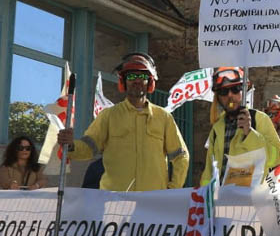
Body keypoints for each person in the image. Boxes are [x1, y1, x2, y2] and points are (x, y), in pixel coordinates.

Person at [58, 53, 188, 191]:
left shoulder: (164, 117)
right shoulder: (108, 115)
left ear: (150, 82)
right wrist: (71, 145)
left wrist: (173, 189)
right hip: (113, 199)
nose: (137, 80)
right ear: (123, 81)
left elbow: (181, 156)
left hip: (152, 201)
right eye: (131, 76)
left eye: (142, 76)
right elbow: (88, 148)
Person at [200, 67, 280, 185]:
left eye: (235, 89)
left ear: (243, 91)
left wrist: (250, 134)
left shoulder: (259, 119)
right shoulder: (216, 128)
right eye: (224, 91)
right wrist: (205, 199)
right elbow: (208, 173)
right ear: (218, 97)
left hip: (251, 200)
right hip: (223, 201)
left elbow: (276, 158)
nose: (230, 95)